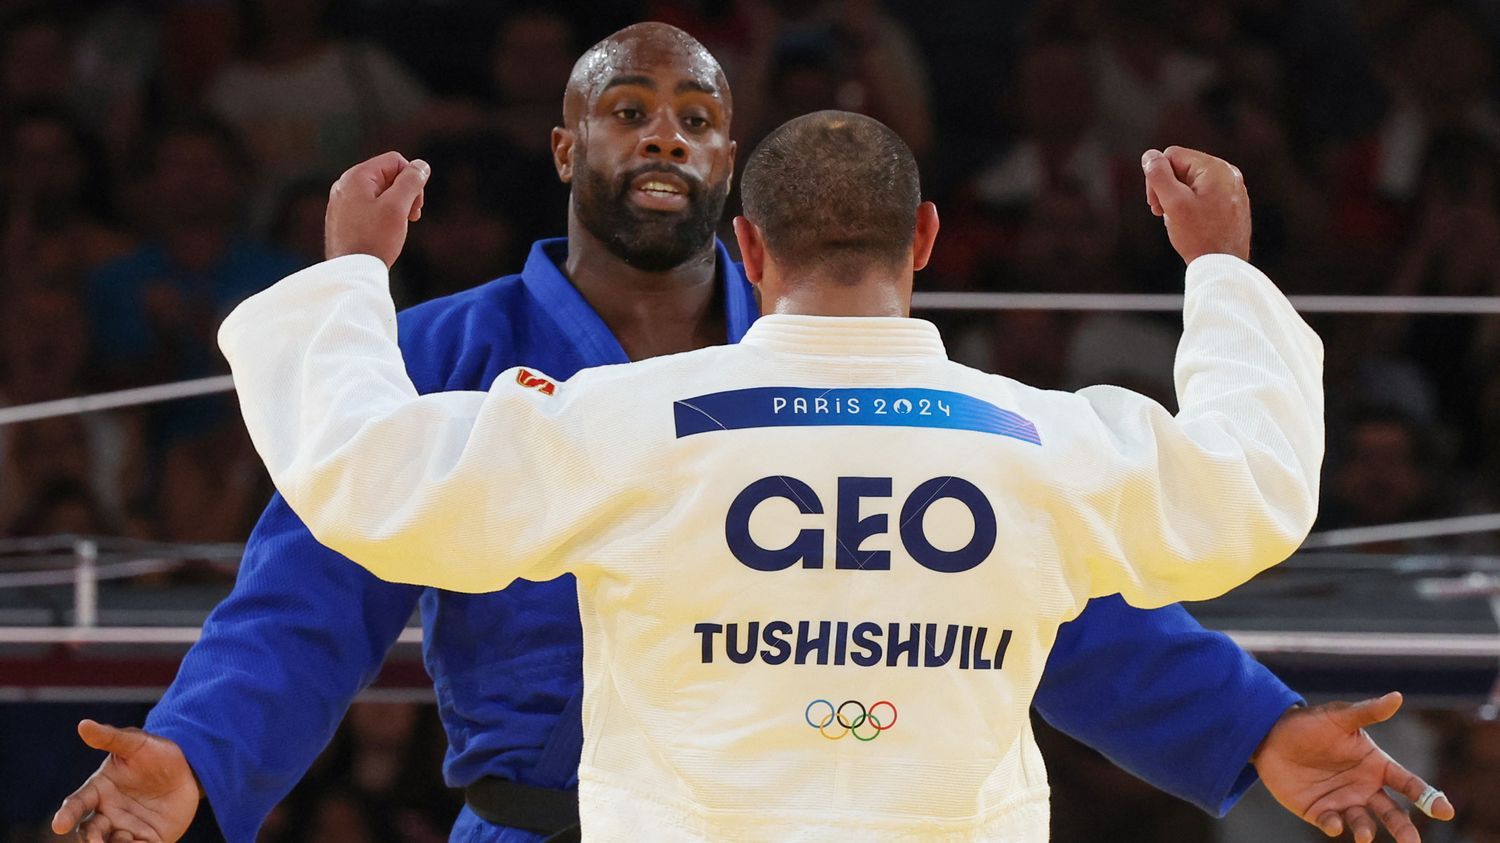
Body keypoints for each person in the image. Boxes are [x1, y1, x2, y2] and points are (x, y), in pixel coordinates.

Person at [54, 23, 1452, 843]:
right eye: (626, 112)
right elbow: (308, 601)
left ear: (734, 178)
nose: (661, 137)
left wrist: (1253, 726)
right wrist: (198, 756)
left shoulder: (866, 379)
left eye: (695, 120)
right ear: (565, 150)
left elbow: (1044, 600)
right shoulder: (446, 356)